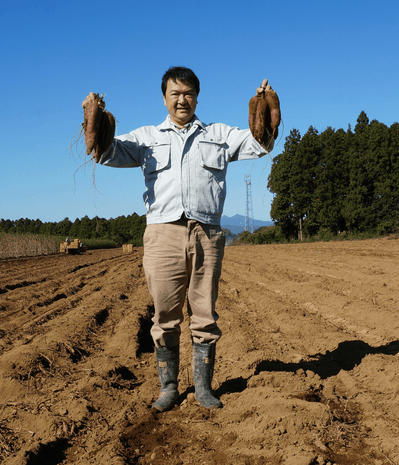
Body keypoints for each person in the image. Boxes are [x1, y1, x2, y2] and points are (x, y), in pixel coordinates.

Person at [83, 66, 278, 411]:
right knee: (165, 316)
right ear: (164, 98)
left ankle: (203, 389)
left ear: (197, 97)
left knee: (204, 314)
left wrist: (266, 105)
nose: (181, 100)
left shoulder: (218, 134)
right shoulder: (147, 137)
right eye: (175, 94)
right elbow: (106, 151)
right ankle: (169, 388)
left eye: (188, 93)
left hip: (206, 234)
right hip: (162, 234)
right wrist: (93, 116)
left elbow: (259, 142)